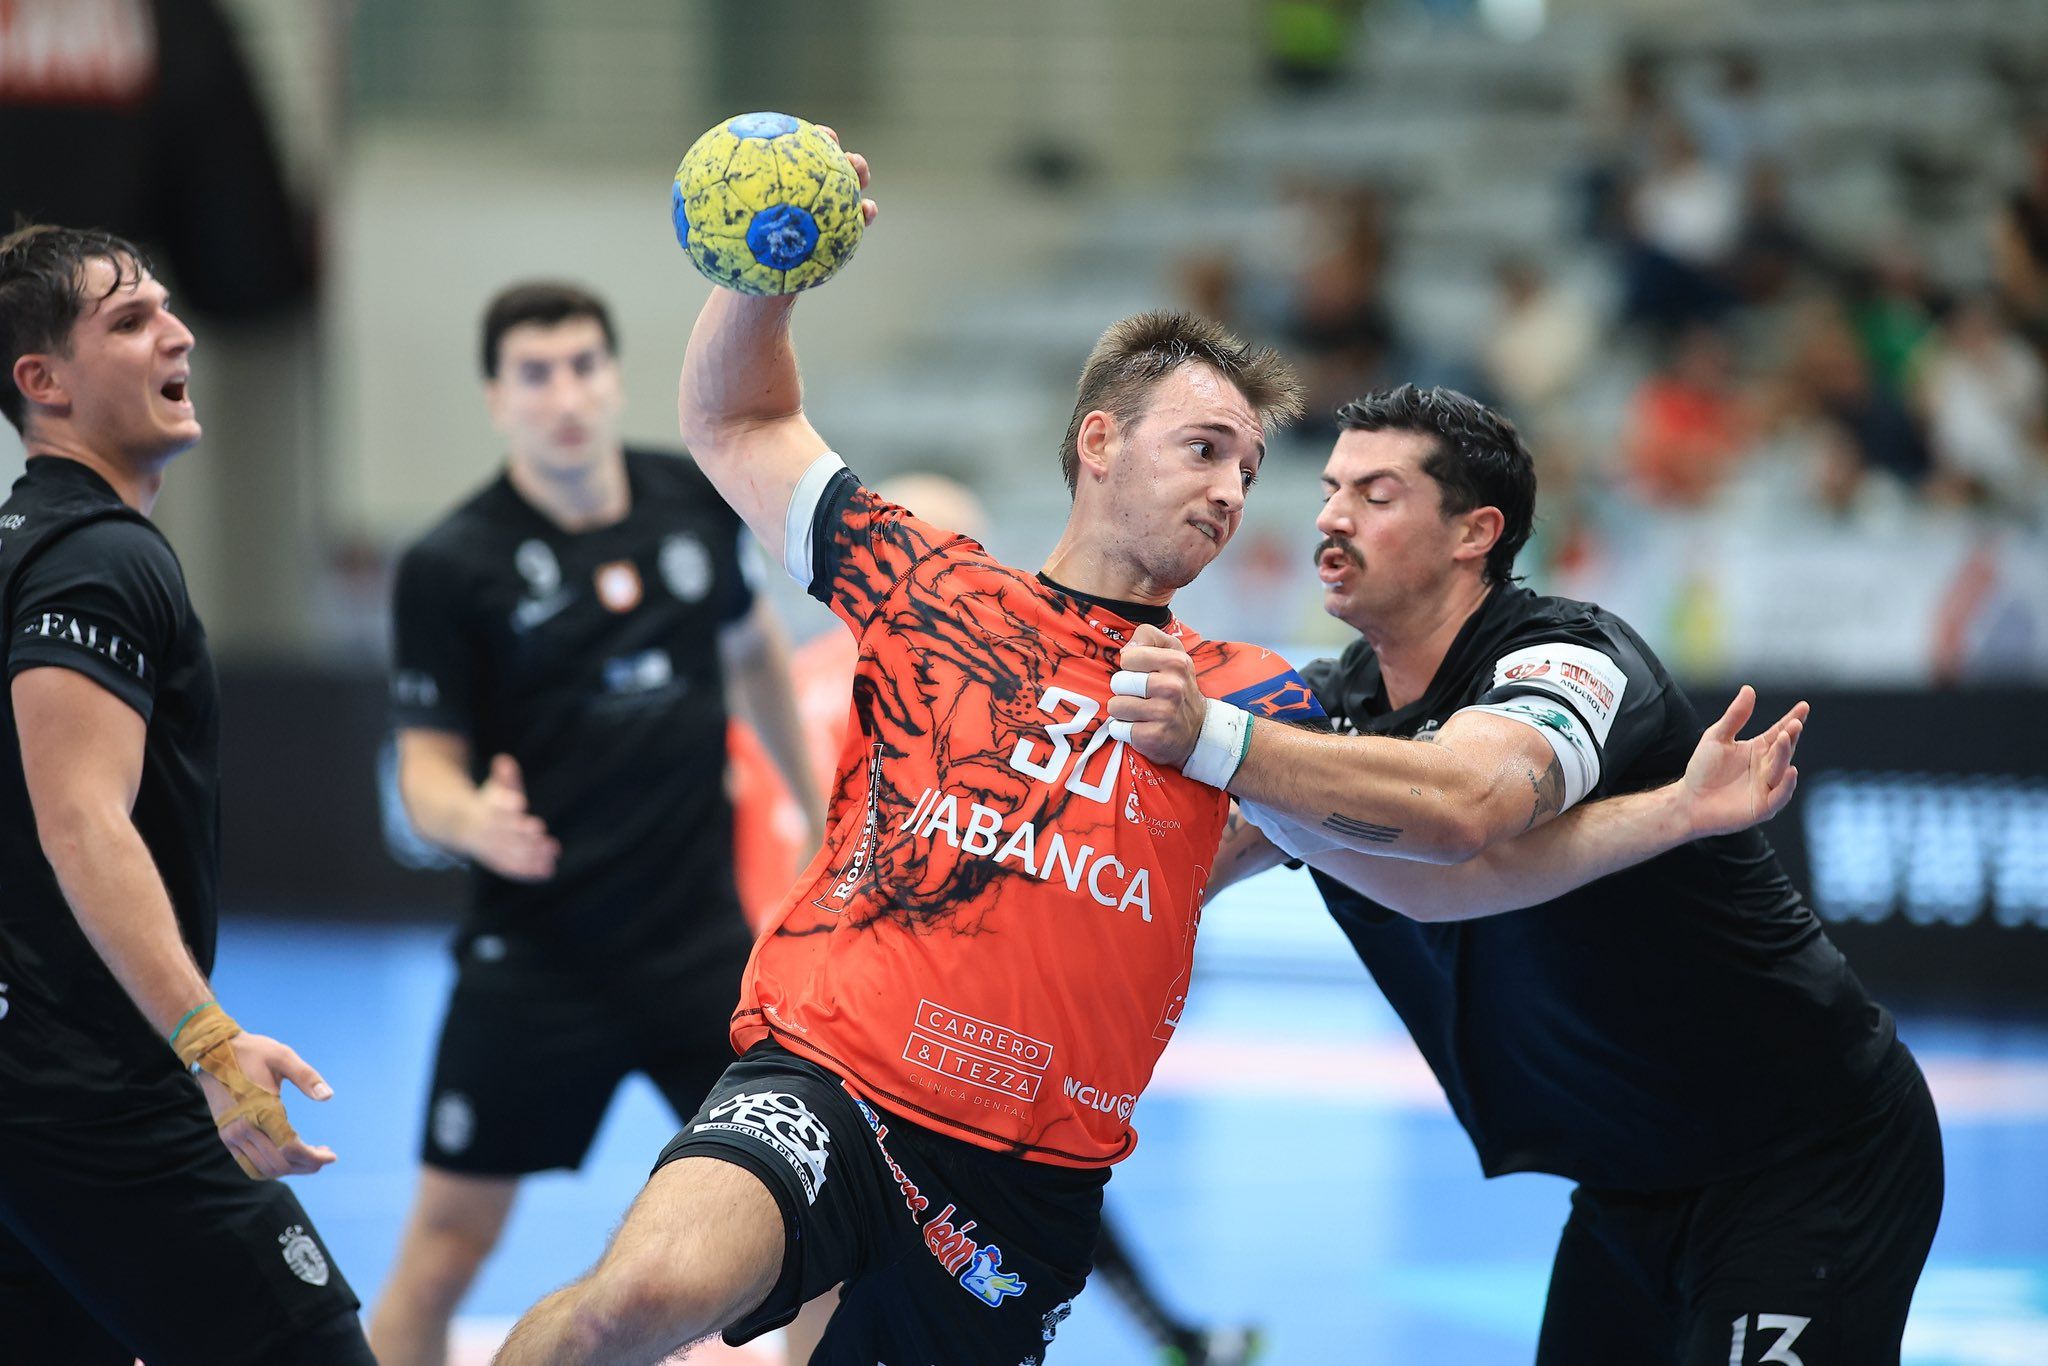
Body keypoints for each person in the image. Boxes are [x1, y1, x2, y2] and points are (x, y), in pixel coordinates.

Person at [494, 137, 1796, 1366]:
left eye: (1248, 464)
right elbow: (737, 421)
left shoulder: (1253, 701)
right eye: (1203, 448)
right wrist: (757, 282)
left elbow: (1445, 874)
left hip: (1022, 1181)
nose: (1234, 489)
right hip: (832, 1080)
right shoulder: (929, 584)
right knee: (645, 1294)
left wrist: (1670, 814)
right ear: (1100, 444)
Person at [1117, 384, 1942, 1365]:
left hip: (1806, 1155)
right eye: (1332, 487)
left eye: (1376, 495)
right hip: (1627, 1177)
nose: (1331, 516)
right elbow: (1178, 869)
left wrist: (1214, 736)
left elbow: (1465, 808)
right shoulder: (1330, 712)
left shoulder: (1571, 658)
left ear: (1475, 531)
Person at [371, 280, 823, 1366]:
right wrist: (472, 819)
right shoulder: (450, 565)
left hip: (698, 951)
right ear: (497, 397)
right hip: (535, 961)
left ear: (615, 377)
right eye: (535, 373)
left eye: (582, 365)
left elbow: (753, 649)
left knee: (820, 1234)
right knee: (443, 1250)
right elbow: (425, 773)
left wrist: (815, 808)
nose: (564, 394)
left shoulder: (690, 501)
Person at [730, 472, 1265, 1366]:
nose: (977, 573)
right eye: (955, 549)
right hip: (858, 1009)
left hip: (860, 997)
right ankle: (1173, 1332)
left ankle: (1171, 1329)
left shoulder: (845, 680)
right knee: (866, 1237)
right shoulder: (916, 689)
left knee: (883, 1234)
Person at [0, 224, 372, 1363]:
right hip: (97, 1095)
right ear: (43, 382)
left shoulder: (24, 545)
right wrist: (209, 1044)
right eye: (129, 319)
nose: (178, 332)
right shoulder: (97, 559)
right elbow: (82, 820)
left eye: (167, 305)